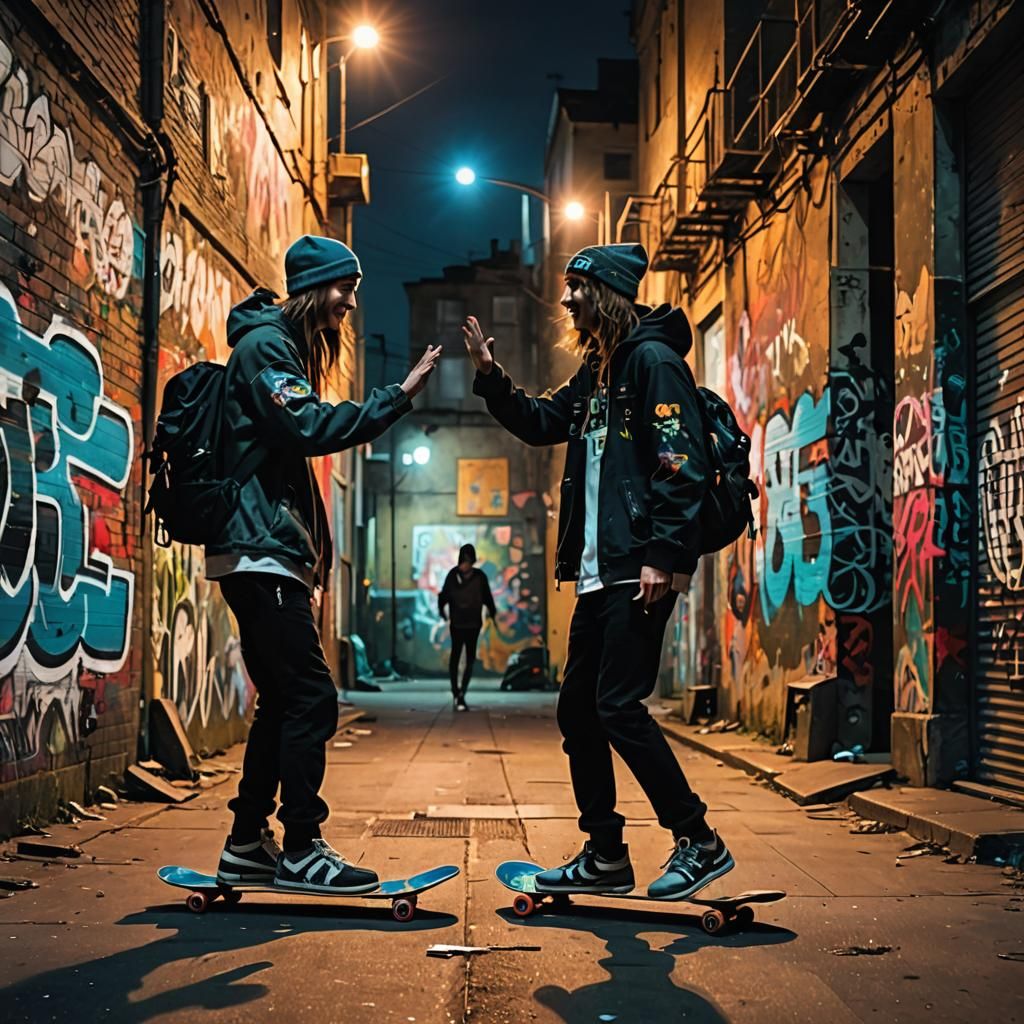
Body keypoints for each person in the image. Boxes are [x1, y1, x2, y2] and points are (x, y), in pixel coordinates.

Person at [463, 243, 733, 900]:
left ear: (606, 292)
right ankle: (605, 852)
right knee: (578, 712)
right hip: (597, 573)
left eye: (576, 288)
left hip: (637, 566)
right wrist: (492, 379)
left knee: (617, 704)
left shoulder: (653, 364)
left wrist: (663, 555)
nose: (565, 300)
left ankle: (698, 840)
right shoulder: (600, 372)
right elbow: (542, 422)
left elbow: (681, 465)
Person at [207, 235, 441, 893]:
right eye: (343, 288)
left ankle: (246, 842)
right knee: (311, 697)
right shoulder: (266, 350)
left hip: (267, 552)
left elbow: (291, 459)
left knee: (283, 701)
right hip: (257, 551)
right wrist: (397, 396)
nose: (350, 302)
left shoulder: (281, 348)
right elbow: (309, 427)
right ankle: (303, 846)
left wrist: (314, 557)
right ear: (312, 287)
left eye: (356, 289)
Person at [438, 543, 496, 711]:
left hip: (472, 623)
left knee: (469, 658)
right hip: (458, 623)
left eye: (468, 562)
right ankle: (456, 692)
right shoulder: (454, 576)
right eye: (464, 562)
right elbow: (443, 596)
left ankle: (462, 692)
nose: (465, 565)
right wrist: (442, 612)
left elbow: (488, 598)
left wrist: (492, 613)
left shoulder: (479, 577)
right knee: (456, 656)